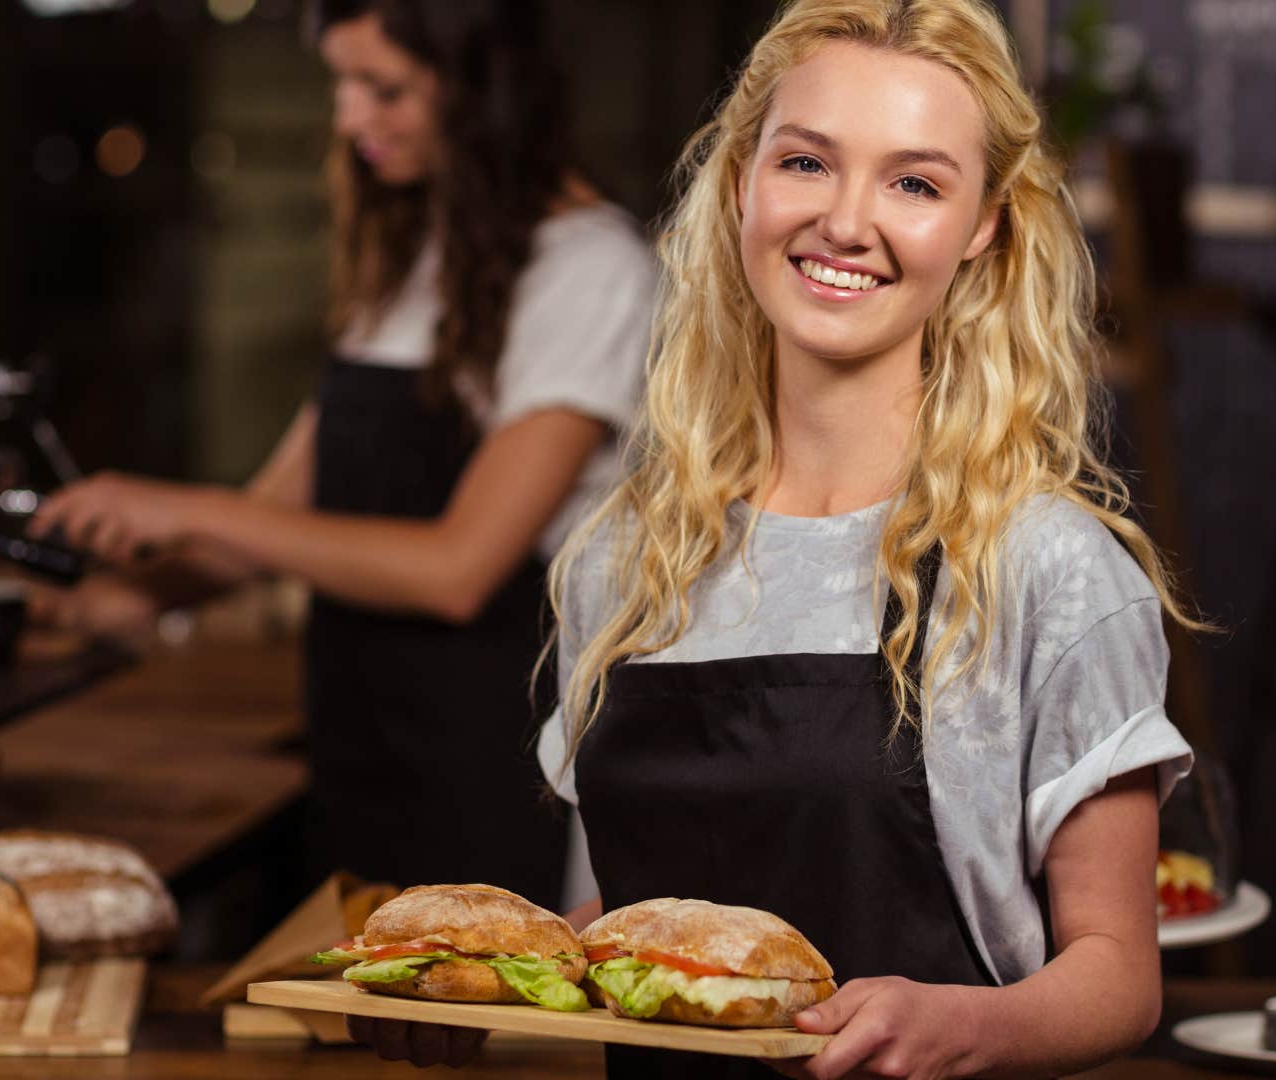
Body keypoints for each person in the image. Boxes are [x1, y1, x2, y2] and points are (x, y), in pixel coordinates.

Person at [351, 0, 1198, 1075]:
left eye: (915, 183)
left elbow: (1119, 974)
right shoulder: (628, 558)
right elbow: (637, 929)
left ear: (984, 225)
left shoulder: (1047, 566)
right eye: (807, 163)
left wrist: (963, 1025)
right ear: (744, 178)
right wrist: (491, 1004)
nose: (847, 222)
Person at [27, 0, 656, 904]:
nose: (349, 117)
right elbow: (280, 513)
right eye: (342, 83)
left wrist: (180, 506)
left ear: (485, 91)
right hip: (362, 737)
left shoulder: (589, 270)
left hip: (491, 754)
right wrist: (113, 600)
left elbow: (458, 568)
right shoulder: (414, 254)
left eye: (383, 88)